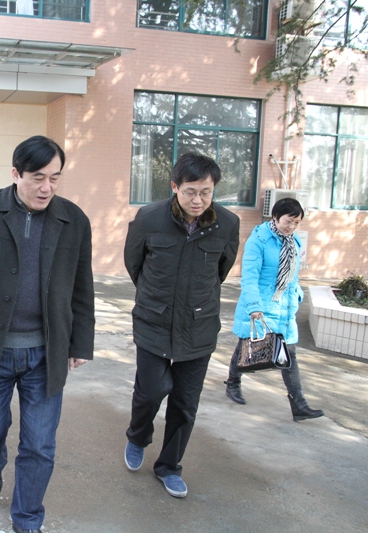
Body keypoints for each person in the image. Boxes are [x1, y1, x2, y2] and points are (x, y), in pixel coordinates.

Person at [0, 135, 95, 533]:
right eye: (38, 177)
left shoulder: (74, 221)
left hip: (47, 352)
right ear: (15, 174)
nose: (46, 187)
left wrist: (81, 342)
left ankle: (26, 519)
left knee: (39, 445)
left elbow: (82, 287)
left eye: (54, 178)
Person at [123, 152, 239, 498]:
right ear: (174, 187)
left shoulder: (227, 224)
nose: (198, 200)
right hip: (154, 322)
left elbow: (221, 270)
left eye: (206, 192)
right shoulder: (149, 219)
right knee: (151, 390)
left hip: (198, 326)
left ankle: (169, 466)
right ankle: (138, 437)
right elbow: (134, 264)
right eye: (190, 191)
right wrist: (158, 297)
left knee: (186, 403)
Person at [224, 197, 324, 421]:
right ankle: (233, 383)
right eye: (289, 221)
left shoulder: (293, 241)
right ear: (276, 216)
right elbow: (250, 277)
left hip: (284, 307)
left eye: (297, 222)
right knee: (247, 348)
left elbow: (293, 275)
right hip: (261, 305)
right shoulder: (258, 240)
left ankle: (299, 404)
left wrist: (297, 295)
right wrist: (254, 306)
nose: (292, 226)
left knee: (289, 354)